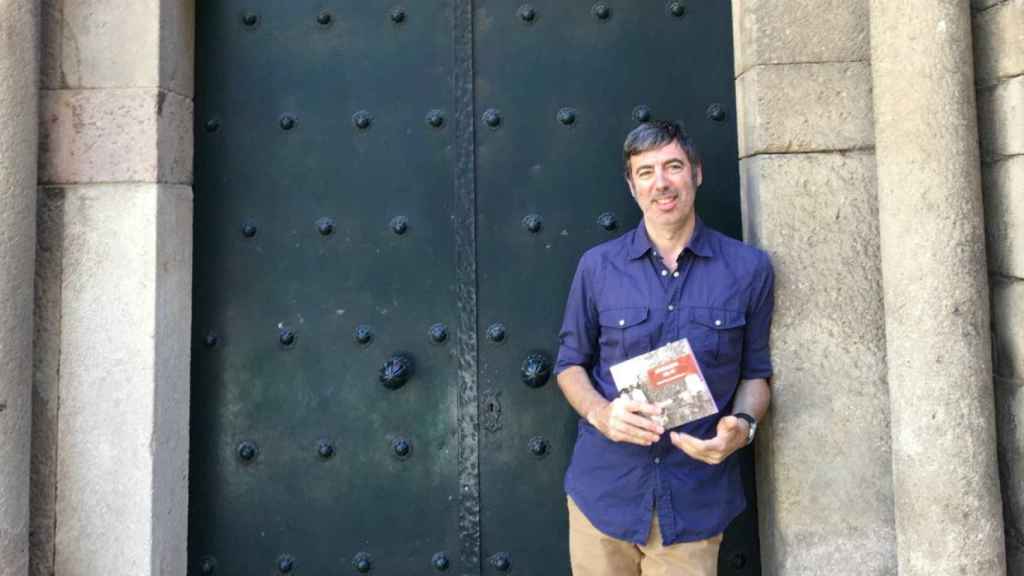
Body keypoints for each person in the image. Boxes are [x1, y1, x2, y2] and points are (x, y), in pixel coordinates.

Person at [555, 121, 774, 576]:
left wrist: (745, 427)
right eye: (647, 171)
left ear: (696, 173)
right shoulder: (597, 267)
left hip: (694, 499)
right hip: (606, 495)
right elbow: (570, 365)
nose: (662, 183)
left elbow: (756, 374)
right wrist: (601, 414)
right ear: (632, 185)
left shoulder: (749, 269)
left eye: (673, 166)